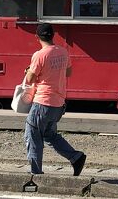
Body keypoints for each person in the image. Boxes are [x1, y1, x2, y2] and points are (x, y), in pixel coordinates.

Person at [24, 23, 86, 176]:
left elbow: (30, 79)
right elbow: (68, 72)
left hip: (42, 103)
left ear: (37, 37)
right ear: (52, 36)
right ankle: (75, 157)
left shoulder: (39, 55)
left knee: (32, 134)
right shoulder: (63, 52)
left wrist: (27, 71)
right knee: (49, 135)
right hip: (58, 104)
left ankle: (35, 173)